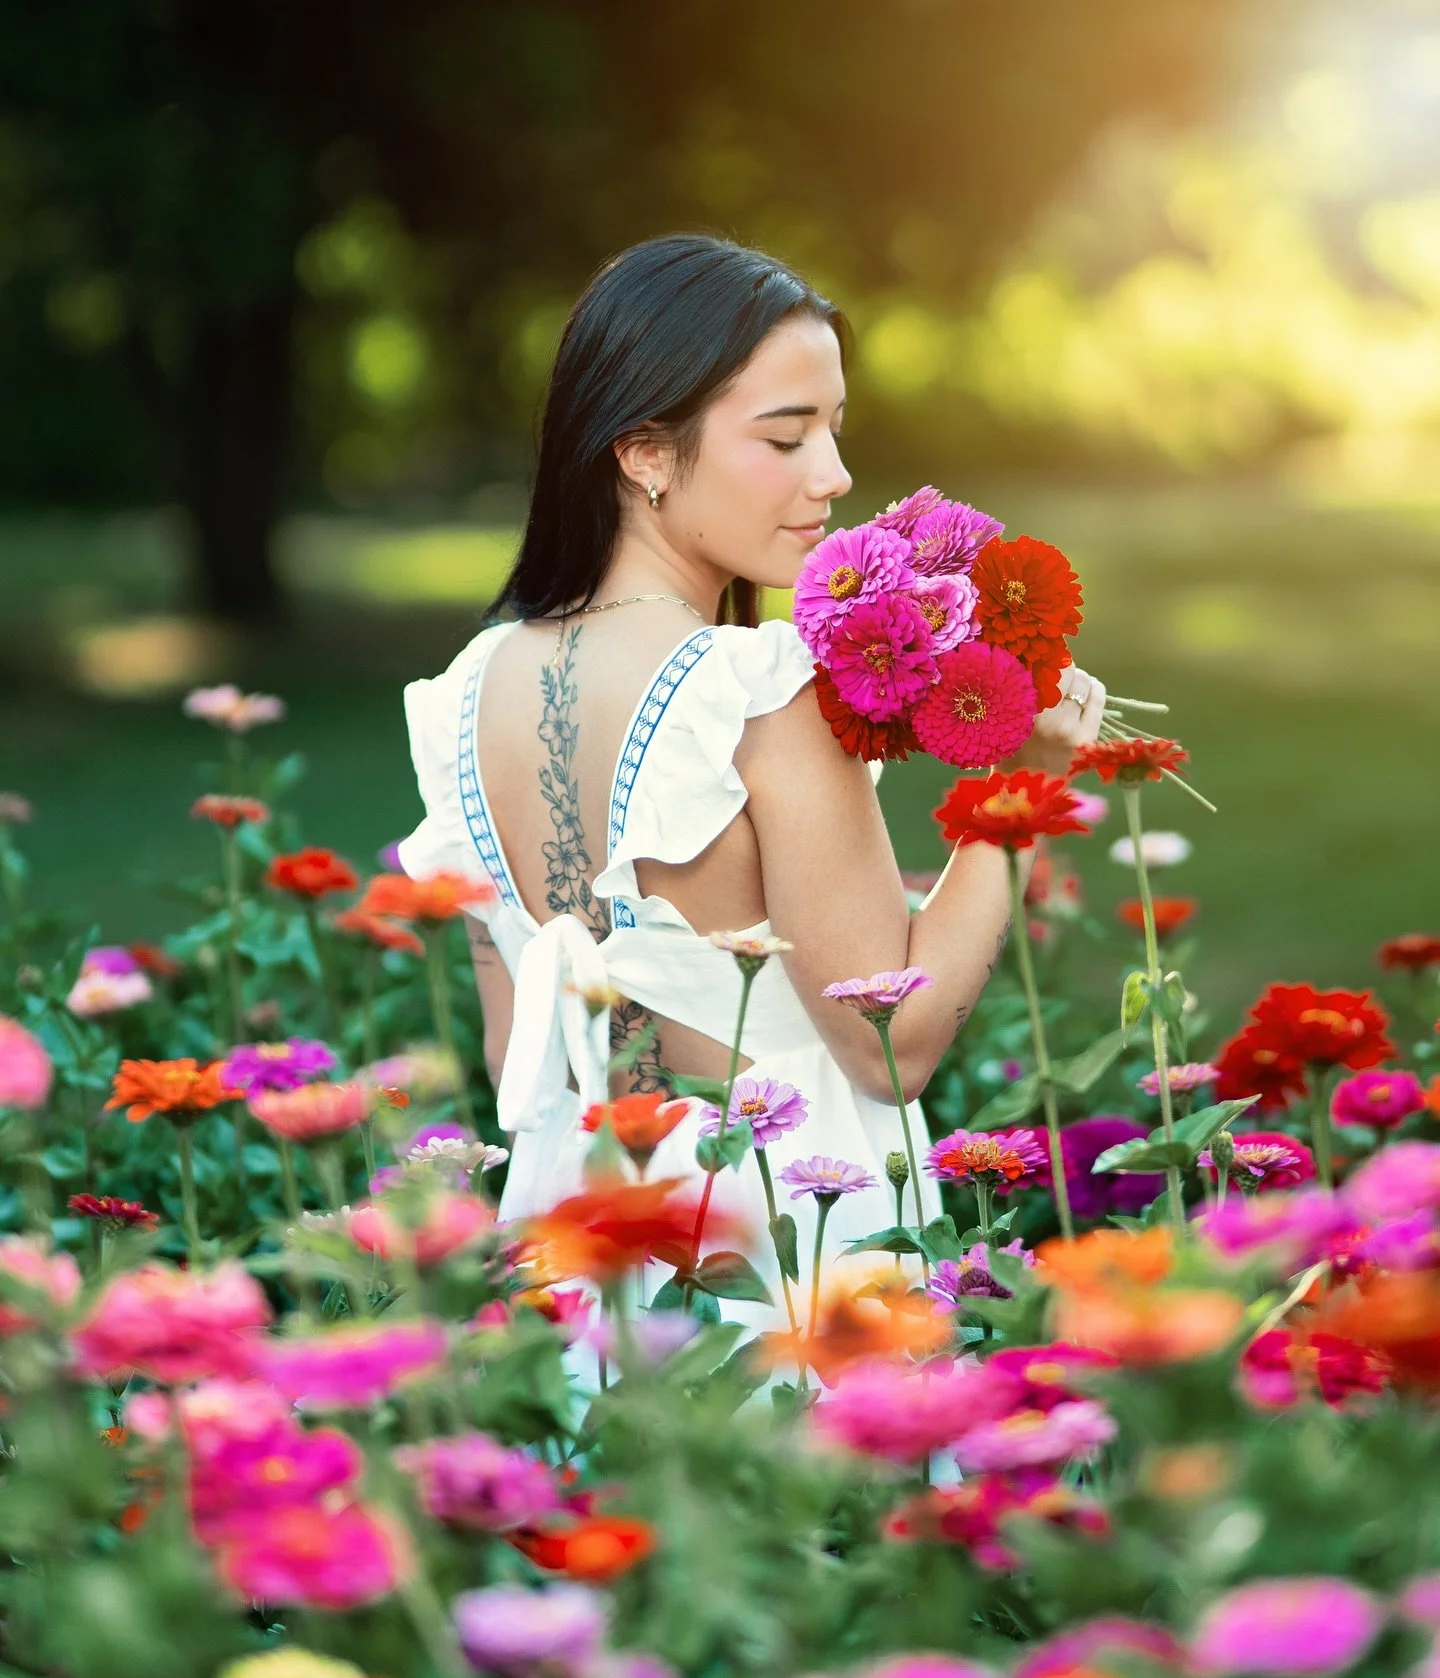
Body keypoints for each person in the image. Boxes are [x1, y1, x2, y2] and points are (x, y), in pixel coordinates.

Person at [397, 234, 1105, 1328]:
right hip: (784, 1234)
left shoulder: (466, 689)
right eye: (786, 436)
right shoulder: (761, 688)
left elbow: (515, 1048)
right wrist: (1023, 789)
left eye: (834, 429)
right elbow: (892, 1046)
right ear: (643, 453)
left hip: (584, 1244)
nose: (833, 475)